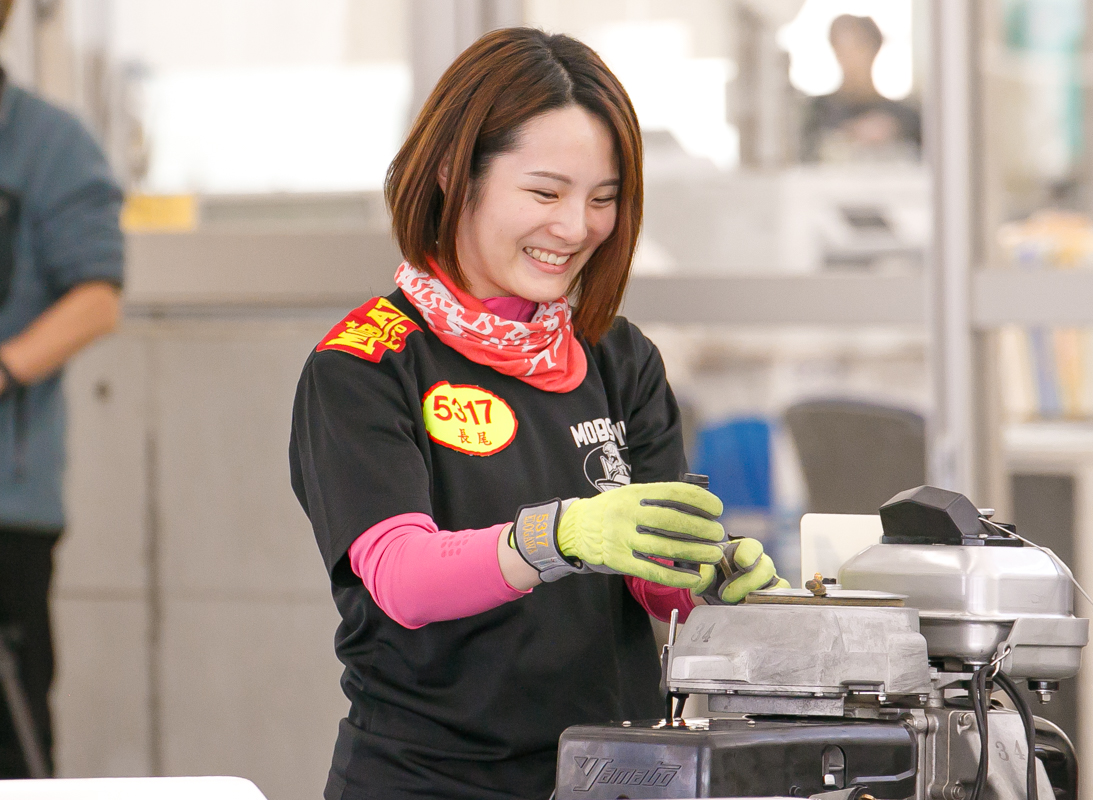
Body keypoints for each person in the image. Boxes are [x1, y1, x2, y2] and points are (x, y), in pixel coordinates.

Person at [290, 28, 788, 800]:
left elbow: (654, 584)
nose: (576, 227)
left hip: (613, 775)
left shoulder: (619, 356)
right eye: (546, 194)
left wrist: (707, 574)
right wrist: (556, 538)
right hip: (430, 781)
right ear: (455, 173)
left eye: (603, 199)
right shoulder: (365, 363)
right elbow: (402, 578)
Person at [0, 0, 124, 778]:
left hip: (7, 506)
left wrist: (6, 365)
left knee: (11, 745)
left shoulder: (49, 143)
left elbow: (97, 299)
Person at [801, 14, 921, 163]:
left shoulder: (905, 117)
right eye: (842, 49)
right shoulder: (817, 112)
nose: (850, 58)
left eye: (857, 48)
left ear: (875, 49)